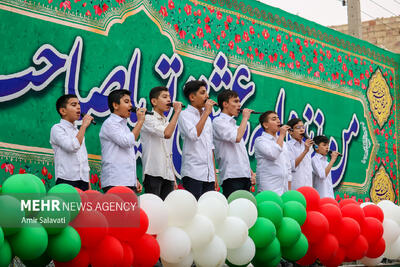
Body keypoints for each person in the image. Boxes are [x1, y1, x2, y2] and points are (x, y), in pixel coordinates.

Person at [99, 89, 146, 193]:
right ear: (115, 105)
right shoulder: (110, 123)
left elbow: (127, 156)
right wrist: (140, 121)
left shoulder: (124, 126)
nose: (131, 105)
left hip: (127, 182)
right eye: (126, 102)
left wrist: (134, 180)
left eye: (130, 102)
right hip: (115, 181)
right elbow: (127, 142)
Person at [178, 80, 218, 199]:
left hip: (209, 175)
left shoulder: (208, 120)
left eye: (207, 93)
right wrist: (206, 113)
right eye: (202, 93)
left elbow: (211, 147)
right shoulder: (184, 115)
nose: (207, 96)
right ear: (192, 97)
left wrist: (214, 175)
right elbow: (194, 135)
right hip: (193, 172)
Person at [141, 86, 183, 200]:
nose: (169, 100)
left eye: (169, 97)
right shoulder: (148, 118)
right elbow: (167, 133)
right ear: (154, 101)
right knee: (153, 209)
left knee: (165, 210)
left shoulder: (166, 121)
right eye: (164, 97)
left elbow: (168, 151)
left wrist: (173, 176)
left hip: (168, 174)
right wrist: (177, 112)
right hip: (153, 172)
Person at [212, 90, 256, 198]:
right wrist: (245, 117)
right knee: (234, 209)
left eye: (239, 101)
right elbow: (237, 137)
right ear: (225, 104)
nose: (239, 105)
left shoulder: (235, 126)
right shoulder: (218, 122)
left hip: (244, 175)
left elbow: (239, 152)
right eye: (235, 101)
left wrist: (249, 172)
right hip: (231, 176)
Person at [50, 94, 93, 191]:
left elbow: (84, 159)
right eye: (73, 105)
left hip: (83, 181)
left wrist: (88, 184)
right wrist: (84, 126)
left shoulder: (78, 132)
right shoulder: (57, 128)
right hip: (66, 180)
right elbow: (72, 147)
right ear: (63, 111)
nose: (78, 107)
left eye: (79, 104)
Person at [254, 111, 292, 195]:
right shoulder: (260, 141)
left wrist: (289, 188)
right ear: (265, 125)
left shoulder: (283, 143)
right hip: (269, 185)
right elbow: (273, 154)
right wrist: (282, 135)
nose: (278, 121)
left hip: (284, 187)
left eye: (278, 118)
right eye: (274, 119)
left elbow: (287, 165)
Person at [286, 118, 313, 190]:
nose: (302, 130)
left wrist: (306, 149)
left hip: (308, 186)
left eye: (303, 127)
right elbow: (292, 166)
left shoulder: (307, 146)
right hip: (296, 187)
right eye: (298, 128)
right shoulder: (287, 146)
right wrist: (305, 151)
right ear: (290, 131)